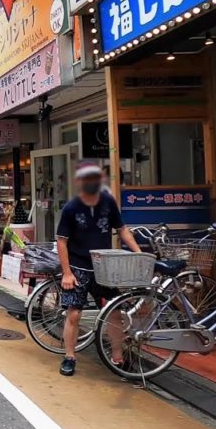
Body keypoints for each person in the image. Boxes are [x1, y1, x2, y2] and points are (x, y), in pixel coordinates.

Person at [56, 161, 141, 377]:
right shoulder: (71, 208)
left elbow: (122, 229)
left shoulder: (108, 202)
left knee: (115, 311)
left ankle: (117, 356)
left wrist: (138, 253)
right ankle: (69, 357)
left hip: (104, 266)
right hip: (78, 266)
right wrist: (67, 273)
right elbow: (62, 241)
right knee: (74, 313)